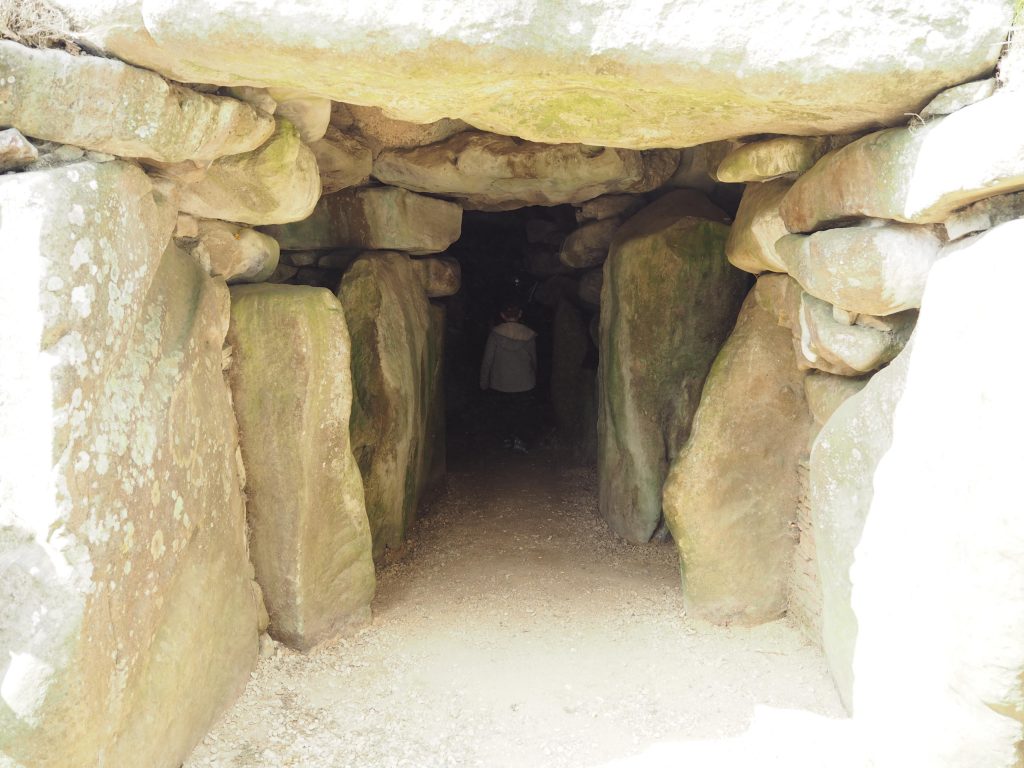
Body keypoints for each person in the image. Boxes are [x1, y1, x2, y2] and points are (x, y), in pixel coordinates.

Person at [479, 302, 537, 452]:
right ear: (520, 314)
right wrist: (534, 375)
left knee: (503, 411)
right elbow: (533, 359)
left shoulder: (495, 333)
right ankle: (519, 440)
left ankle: (506, 439)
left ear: (502, 315)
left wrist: (483, 381)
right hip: (524, 381)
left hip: (500, 381)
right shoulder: (528, 335)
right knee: (521, 412)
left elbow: (487, 360)